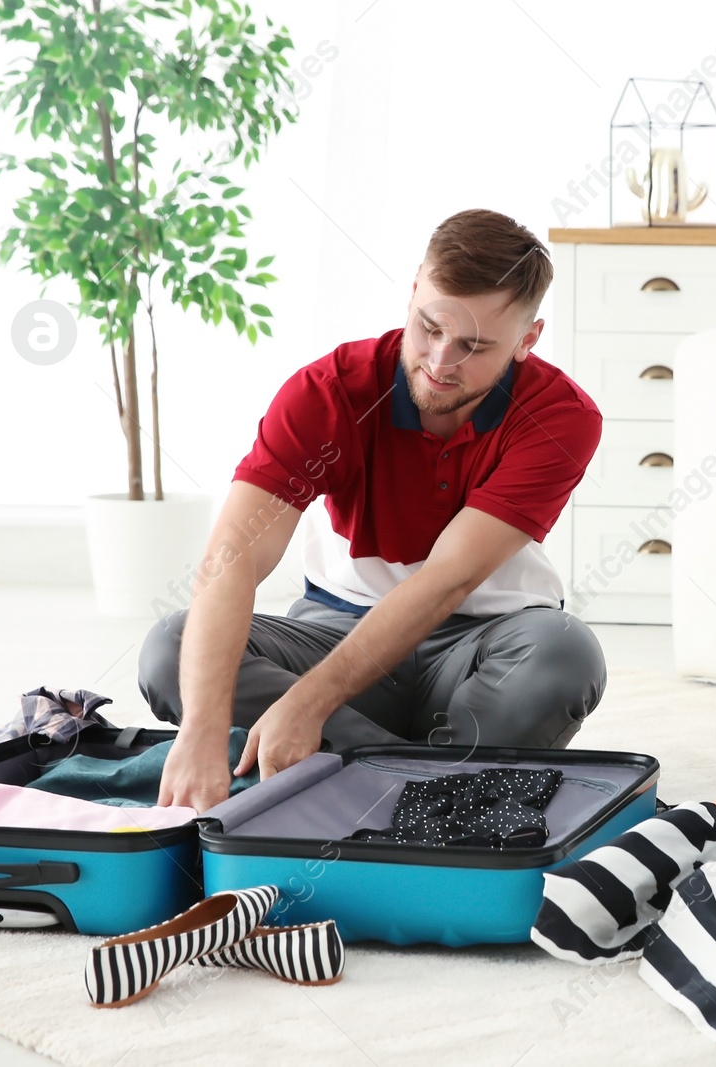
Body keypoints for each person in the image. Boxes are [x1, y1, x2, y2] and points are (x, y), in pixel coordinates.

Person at [143, 209, 606, 812]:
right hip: (335, 628)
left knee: (566, 652)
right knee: (171, 647)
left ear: (527, 340)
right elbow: (233, 555)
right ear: (414, 291)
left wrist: (308, 706)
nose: (441, 363)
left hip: (483, 643)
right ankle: (436, 787)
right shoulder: (329, 392)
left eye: (474, 347)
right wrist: (201, 732)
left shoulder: (561, 415)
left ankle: (362, 775)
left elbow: (448, 579)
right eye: (429, 329)